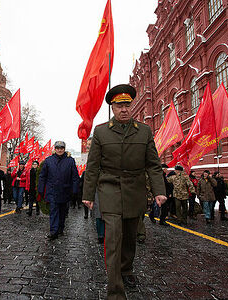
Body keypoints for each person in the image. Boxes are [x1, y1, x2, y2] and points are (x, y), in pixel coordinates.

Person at [82, 84, 166, 300]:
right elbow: (92, 167)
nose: (124, 109)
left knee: (130, 239)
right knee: (113, 240)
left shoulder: (145, 131)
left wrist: (159, 190)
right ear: (112, 108)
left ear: (132, 106)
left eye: (127, 105)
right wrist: (88, 195)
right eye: (119, 106)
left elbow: (153, 164)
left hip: (135, 191)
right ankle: (115, 292)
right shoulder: (100, 132)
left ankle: (126, 270)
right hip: (109, 189)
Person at [38, 141, 79, 240]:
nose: (59, 150)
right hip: (52, 191)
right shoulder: (48, 160)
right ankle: (54, 231)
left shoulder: (70, 161)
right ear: (55, 149)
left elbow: (75, 177)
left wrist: (75, 190)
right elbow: (42, 176)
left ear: (64, 149)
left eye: (61, 148)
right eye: (57, 148)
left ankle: (60, 228)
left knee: (62, 211)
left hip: (65, 190)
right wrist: (40, 189)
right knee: (54, 211)